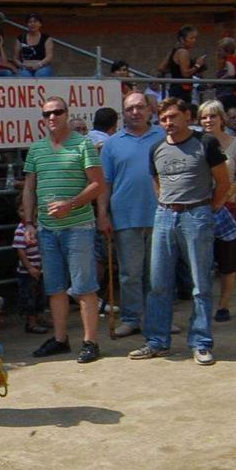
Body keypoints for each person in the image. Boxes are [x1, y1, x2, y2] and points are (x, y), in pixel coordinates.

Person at [131, 99, 228, 366]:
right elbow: (156, 181)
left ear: (187, 116)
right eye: (163, 119)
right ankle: (158, 341)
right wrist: (166, 203)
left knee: (200, 284)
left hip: (196, 214)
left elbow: (223, 181)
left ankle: (201, 343)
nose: (168, 123)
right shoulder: (156, 148)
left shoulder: (205, 144)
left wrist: (210, 207)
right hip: (164, 215)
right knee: (159, 283)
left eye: (173, 117)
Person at [22, 98, 107, 362]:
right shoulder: (36, 149)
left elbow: (98, 184)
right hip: (48, 229)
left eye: (57, 112)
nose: (52, 117)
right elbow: (29, 187)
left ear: (66, 114)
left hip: (78, 226)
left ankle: (90, 342)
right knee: (55, 288)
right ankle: (61, 339)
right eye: (47, 113)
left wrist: (70, 205)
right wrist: (28, 223)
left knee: (84, 287)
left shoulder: (83, 144)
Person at [98, 90, 165, 340]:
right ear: (122, 113)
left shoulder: (163, 136)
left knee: (159, 273)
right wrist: (102, 214)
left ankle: (159, 318)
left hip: (162, 215)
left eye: (139, 107)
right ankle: (131, 319)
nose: (135, 112)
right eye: (129, 109)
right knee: (129, 274)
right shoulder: (112, 144)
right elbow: (105, 183)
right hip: (125, 216)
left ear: (150, 110)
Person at [198, 100, 236, 319]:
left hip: (228, 207)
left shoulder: (235, 143)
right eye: (204, 117)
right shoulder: (195, 143)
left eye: (212, 116)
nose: (208, 120)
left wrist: (225, 195)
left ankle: (223, 305)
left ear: (221, 118)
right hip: (201, 206)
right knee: (201, 260)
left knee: (228, 259)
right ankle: (202, 305)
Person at [12, 214, 50, 332]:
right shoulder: (20, 230)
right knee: (29, 298)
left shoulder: (39, 226)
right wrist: (30, 268)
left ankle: (40, 317)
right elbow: (20, 251)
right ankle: (31, 322)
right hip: (27, 272)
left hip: (40, 268)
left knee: (41, 296)